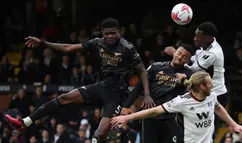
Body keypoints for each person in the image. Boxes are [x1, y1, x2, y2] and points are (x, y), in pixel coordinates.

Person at [5, 18, 150, 143]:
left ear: (119, 31)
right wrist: (43, 43)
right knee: (63, 98)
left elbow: (143, 71)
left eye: (113, 33)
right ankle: (25, 122)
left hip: (116, 96)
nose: (110, 36)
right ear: (102, 33)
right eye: (107, 33)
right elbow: (68, 48)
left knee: (100, 134)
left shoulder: (128, 48)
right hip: (102, 87)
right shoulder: (98, 43)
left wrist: (147, 94)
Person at [111, 71, 242, 143]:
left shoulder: (212, 95)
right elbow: (154, 111)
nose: (212, 85)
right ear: (202, 86)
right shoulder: (182, 102)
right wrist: (128, 117)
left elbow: (218, 107)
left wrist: (233, 124)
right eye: (209, 83)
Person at [121, 44, 194, 143]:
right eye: (179, 53)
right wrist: (126, 105)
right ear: (174, 53)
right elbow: (139, 87)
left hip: (171, 117)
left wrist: (185, 79)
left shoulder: (189, 73)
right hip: (150, 115)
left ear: (187, 61)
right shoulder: (156, 67)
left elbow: (196, 89)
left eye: (184, 57)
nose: (180, 57)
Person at [164, 22, 227, 107]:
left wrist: (175, 54)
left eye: (198, 37)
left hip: (216, 94)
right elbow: (192, 59)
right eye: (195, 35)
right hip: (204, 91)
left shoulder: (213, 53)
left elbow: (191, 70)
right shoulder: (207, 44)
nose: (195, 39)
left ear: (209, 38)